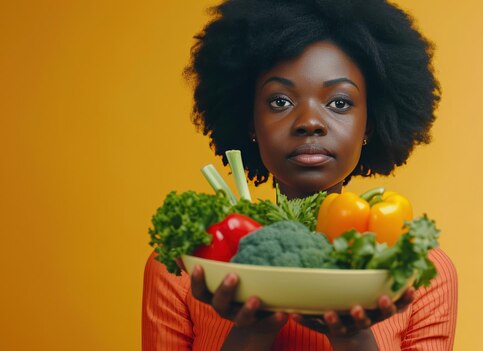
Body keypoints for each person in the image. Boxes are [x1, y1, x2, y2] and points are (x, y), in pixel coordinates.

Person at [142, 0, 458, 350]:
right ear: (250, 122)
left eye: (339, 102)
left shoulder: (420, 271)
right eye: (280, 101)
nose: (310, 121)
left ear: (371, 122)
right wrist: (251, 332)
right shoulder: (185, 263)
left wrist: (353, 337)